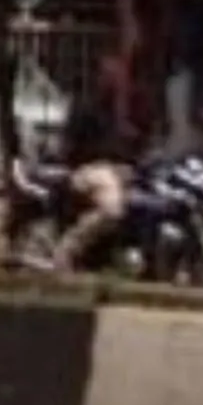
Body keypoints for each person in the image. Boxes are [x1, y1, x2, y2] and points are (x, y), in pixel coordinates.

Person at [56, 52, 136, 270]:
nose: (116, 81)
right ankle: (68, 249)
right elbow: (70, 148)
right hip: (89, 170)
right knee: (112, 210)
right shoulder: (85, 107)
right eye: (111, 76)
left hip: (114, 170)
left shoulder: (118, 110)